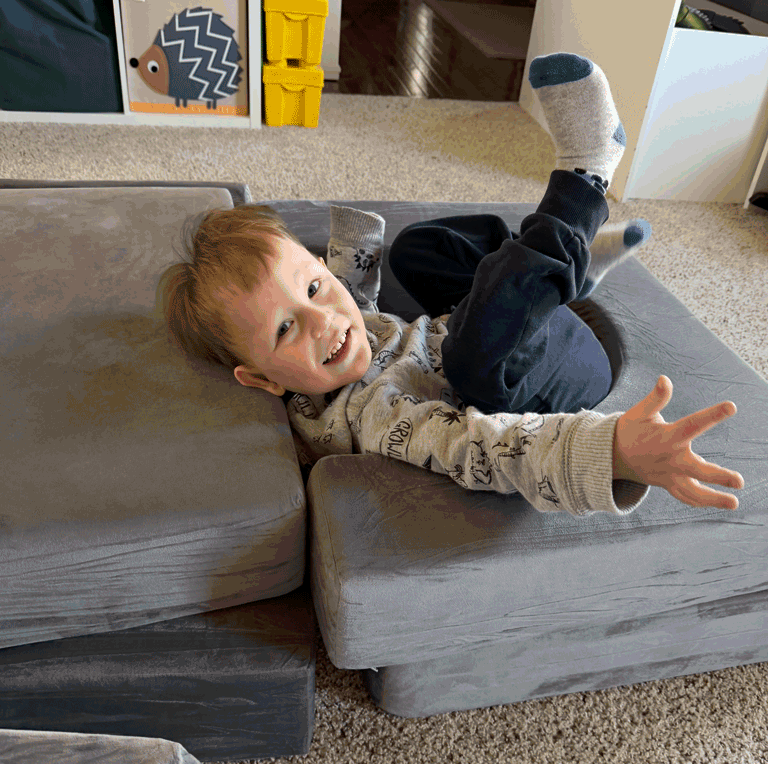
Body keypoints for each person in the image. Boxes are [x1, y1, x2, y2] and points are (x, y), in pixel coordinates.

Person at [158, 53, 744, 516]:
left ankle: (564, 273)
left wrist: (342, 251)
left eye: (312, 287)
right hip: (548, 390)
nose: (323, 320)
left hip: (520, 340)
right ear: (259, 378)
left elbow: (352, 299)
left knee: (419, 249)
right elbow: (489, 450)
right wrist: (616, 453)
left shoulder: (335, 336)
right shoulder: (373, 420)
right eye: (285, 328)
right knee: (469, 355)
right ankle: (586, 175)